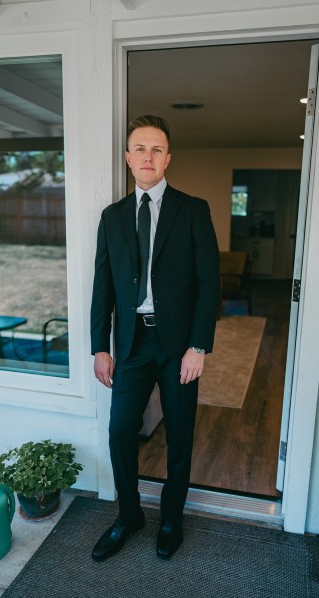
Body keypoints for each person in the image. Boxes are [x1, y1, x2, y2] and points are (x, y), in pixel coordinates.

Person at [90, 114, 220, 561]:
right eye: (140, 148)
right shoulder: (112, 218)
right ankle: (128, 516)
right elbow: (101, 286)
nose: (148, 156)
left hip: (179, 346)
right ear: (128, 158)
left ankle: (171, 517)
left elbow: (209, 285)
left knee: (179, 434)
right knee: (120, 431)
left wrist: (198, 346)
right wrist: (100, 347)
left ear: (168, 158)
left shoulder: (193, 210)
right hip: (129, 346)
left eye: (157, 149)